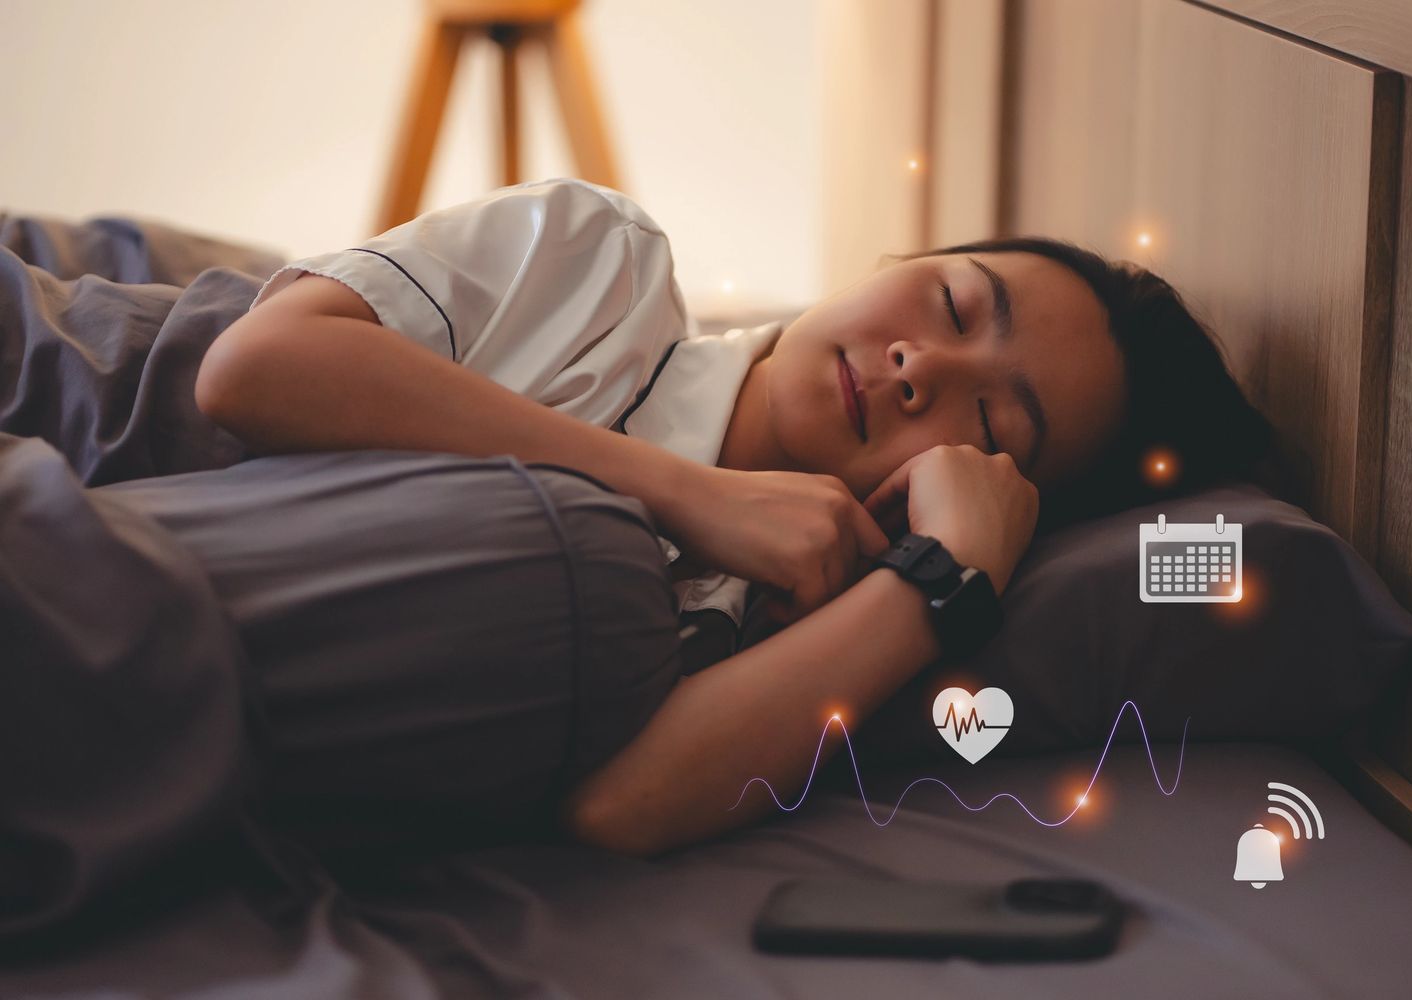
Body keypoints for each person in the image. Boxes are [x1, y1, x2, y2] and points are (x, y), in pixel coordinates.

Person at [193, 177, 1278, 856]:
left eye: (988, 419)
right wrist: (684, 491)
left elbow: (619, 810)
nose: (919, 366)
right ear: (897, 262)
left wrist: (942, 576)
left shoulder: (789, 617)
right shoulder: (601, 263)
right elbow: (253, 366)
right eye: (950, 301)